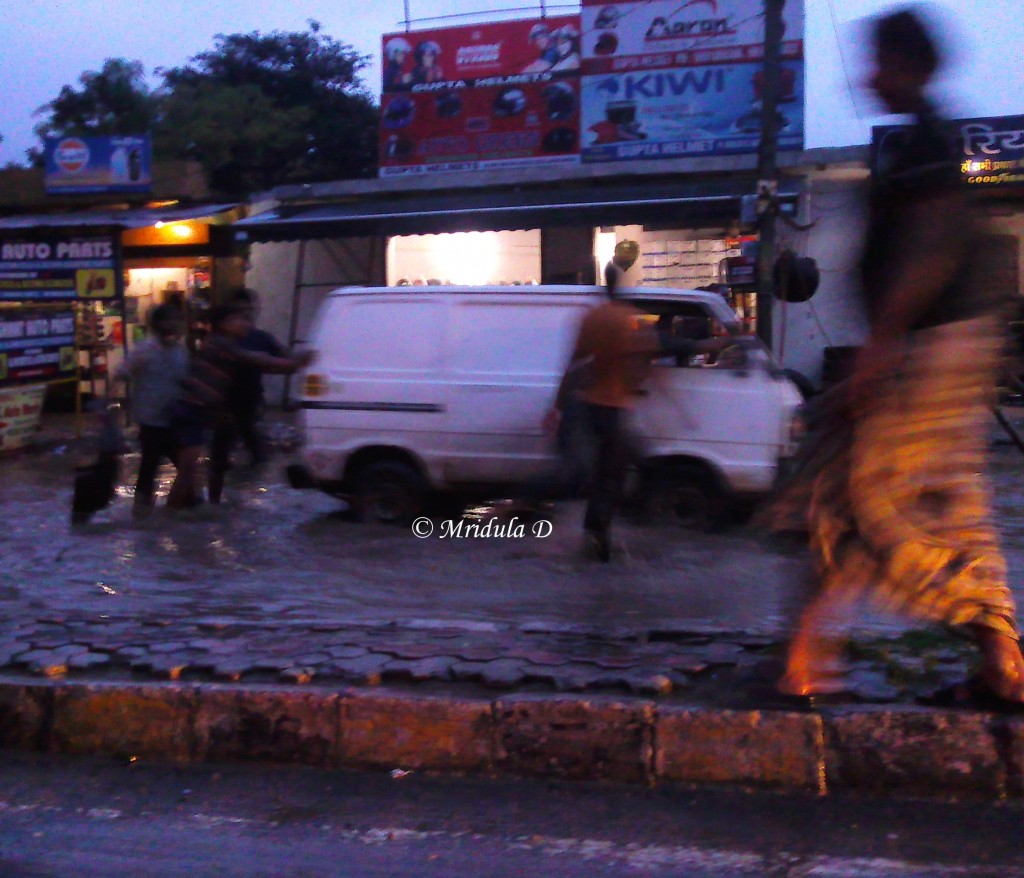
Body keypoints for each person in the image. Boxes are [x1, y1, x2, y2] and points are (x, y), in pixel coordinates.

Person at [770, 8, 1024, 706]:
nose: (866, 77)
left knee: (869, 497)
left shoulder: (928, 147)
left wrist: (883, 341)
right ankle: (813, 652)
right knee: (905, 494)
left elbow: (933, 244)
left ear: (911, 66)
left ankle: (807, 656)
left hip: (926, 345)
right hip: (937, 344)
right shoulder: (927, 141)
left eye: (878, 60)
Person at [167, 303, 314, 511]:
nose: (244, 323)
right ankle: (170, 517)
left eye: (246, 318)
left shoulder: (229, 343)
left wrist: (293, 364)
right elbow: (258, 360)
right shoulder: (222, 344)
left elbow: (265, 361)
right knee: (189, 469)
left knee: (192, 468)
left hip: (210, 411)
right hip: (194, 410)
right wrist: (298, 364)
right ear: (222, 324)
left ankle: (181, 514)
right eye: (238, 319)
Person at [116, 303, 189, 517]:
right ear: (158, 324)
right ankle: (143, 512)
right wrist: (113, 407)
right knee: (151, 465)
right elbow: (122, 372)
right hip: (151, 420)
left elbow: (186, 380)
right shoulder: (145, 349)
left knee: (182, 464)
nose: (175, 324)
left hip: (176, 418)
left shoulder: (181, 351)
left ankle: (185, 505)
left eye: (177, 319)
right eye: (170, 320)